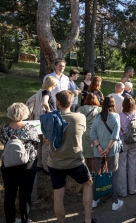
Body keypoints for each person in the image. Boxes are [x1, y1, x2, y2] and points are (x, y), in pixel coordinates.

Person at [46, 91, 95, 223]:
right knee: (88, 183)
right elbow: (82, 131)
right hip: (75, 161)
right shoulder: (79, 117)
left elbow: (46, 138)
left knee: (58, 195)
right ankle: (88, 219)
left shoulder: (50, 118)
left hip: (55, 162)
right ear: (72, 102)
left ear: (58, 103)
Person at [0, 103, 40, 223]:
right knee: (25, 193)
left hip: (8, 164)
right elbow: (36, 143)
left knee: (9, 194)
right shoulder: (30, 128)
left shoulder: (5, 129)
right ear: (24, 113)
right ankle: (25, 219)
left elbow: (2, 141)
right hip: (27, 164)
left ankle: (10, 220)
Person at [90, 96, 123, 211]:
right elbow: (115, 135)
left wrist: (99, 147)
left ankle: (95, 199)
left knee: (98, 174)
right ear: (113, 105)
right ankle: (115, 201)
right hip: (111, 151)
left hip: (98, 151)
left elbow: (92, 133)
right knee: (113, 174)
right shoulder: (115, 116)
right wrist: (108, 148)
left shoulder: (97, 117)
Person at [118, 97, 136, 197]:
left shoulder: (119, 115)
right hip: (134, 141)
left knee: (122, 166)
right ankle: (132, 189)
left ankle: (122, 192)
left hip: (124, 141)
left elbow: (118, 130)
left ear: (123, 105)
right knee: (132, 165)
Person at [77, 93, 102, 177]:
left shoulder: (82, 108)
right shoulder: (99, 110)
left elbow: (77, 119)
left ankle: (85, 171)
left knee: (85, 154)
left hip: (84, 132)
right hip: (95, 134)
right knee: (93, 155)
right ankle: (93, 171)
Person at [39, 76, 58, 174]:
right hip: (48, 119)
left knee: (41, 143)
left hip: (42, 119)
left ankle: (40, 164)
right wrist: (49, 111)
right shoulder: (47, 92)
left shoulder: (41, 91)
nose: (55, 86)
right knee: (47, 143)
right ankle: (46, 167)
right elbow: (44, 102)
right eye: (55, 85)